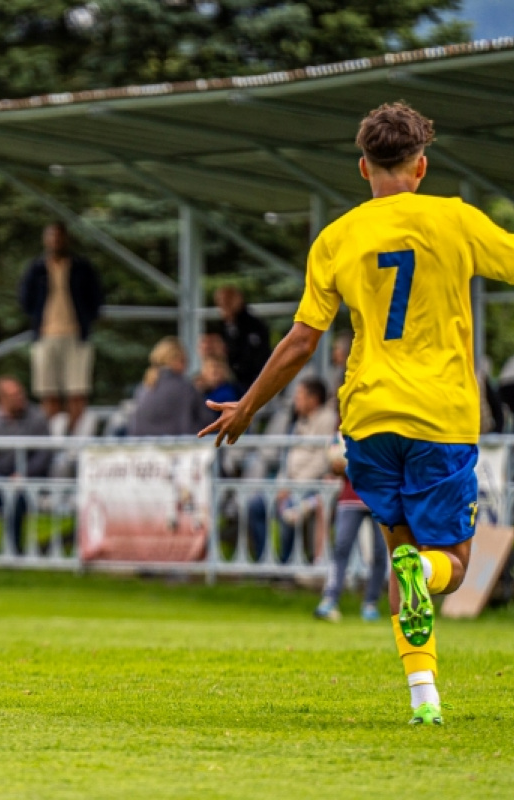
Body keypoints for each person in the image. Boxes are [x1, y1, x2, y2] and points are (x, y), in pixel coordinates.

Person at [200, 101, 514, 726]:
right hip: (439, 417)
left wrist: (247, 407)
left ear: (361, 167)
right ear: (421, 166)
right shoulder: (455, 220)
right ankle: (419, 581)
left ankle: (424, 699)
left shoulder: (337, 238)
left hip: (367, 421)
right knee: (446, 567)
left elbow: (299, 342)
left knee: (399, 553)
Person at [19, 221, 104, 433]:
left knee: (77, 391)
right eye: (51, 236)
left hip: (76, 335)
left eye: (59, 236)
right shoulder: (36, 268)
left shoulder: (81, 267)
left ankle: (73, 443)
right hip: (45, 335)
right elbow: (25, 300)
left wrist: (86, 318)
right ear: (45, 239)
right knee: (48, 391)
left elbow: (96, 298)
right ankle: (54, 442)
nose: (56, 241)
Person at [247, 377, 336, 563]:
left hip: (313, 487)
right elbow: (287, 459)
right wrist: (282, 486)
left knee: (289, 512)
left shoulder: (327, 419)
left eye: (300, 396)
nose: (296, 400)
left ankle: (287, 566)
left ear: (314, 399)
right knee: (255, 505)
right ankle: (266, 561)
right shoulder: (297, 421)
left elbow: (322, 461)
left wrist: (293, 487)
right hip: (288, 486)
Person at [0, 376, 52, 554]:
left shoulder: (36, 417)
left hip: (31, 479)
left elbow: (45, 453)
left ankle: (14, 550)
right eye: (14, 395)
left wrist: (25, 474)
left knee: (16, 499)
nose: (20, 397)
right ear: (1, 399)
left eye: (20, 393)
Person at [314, 433, 387, 623]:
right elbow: (334, 450)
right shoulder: (345, 424)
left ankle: (371, 603)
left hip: (380, 498)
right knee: (341, 547)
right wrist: (336, 466)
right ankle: (330, 599)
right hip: (350, 496)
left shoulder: (384, 427)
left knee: (380, 552)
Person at [128, 337, 209, 437]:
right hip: (179, 447)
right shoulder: (185, 388)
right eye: (184, 360)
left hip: (144, 447)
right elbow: (206, 419)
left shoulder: (144, 387)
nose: (187, 365)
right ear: (175, 360)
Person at [213, 285, 271, 392]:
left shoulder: (254, 326)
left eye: (228, 301)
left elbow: (259, 355)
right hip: (228, 380)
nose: (224, 306)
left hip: (253, 380)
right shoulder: (220, 327)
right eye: (221, 302)